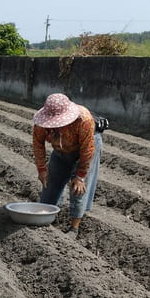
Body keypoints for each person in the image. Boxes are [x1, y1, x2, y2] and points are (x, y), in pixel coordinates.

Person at [32, 93, 103, 237]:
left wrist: (80, 176)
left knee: (78, 189)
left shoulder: (84, 120)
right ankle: (47, 217)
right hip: (60, 151)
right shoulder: (41, 123)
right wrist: (41, 169)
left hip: (84, 149)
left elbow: (87, 150)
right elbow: (38, 144)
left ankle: (74, 228)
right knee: (50, 183)